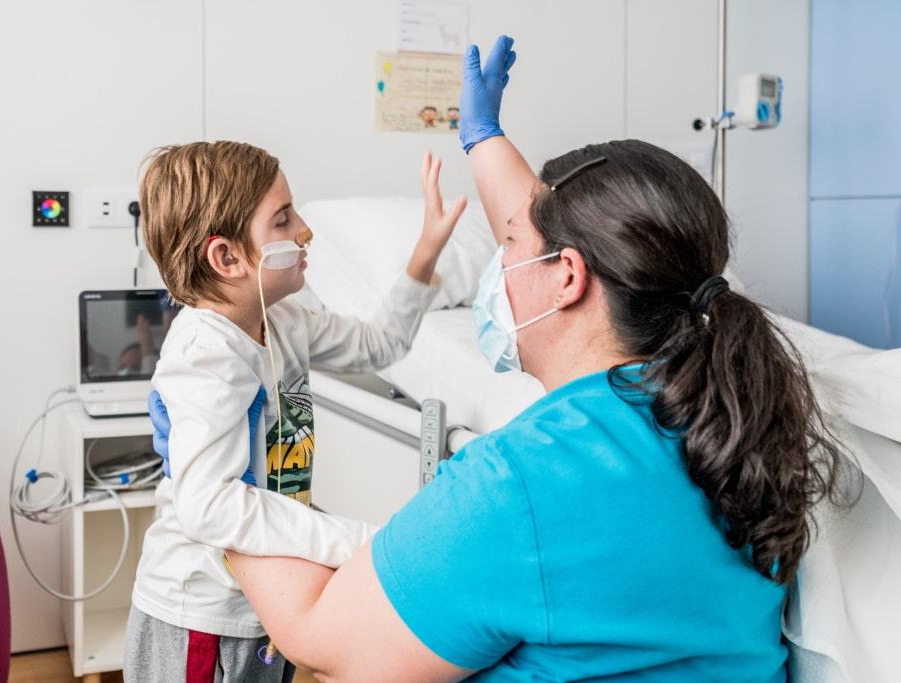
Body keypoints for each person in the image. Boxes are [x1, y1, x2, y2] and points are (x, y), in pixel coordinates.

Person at [152, 36, 847, 682]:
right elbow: (559, 224)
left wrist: (218, 498)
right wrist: (483, 139)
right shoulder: (738, 422)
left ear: (568, 276)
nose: (497, 267)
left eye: (508, 242)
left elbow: (313, 633)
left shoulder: (518, 482)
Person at [124, 141, 466, 682]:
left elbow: (379, 345)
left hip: (262, 604)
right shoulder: (206, 353)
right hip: (201, 616)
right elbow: (207, 506)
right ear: (228, 257)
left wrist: (424, 253)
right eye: (283, 219)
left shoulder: (283, 322)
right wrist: (362, 543)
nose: (306, 230)